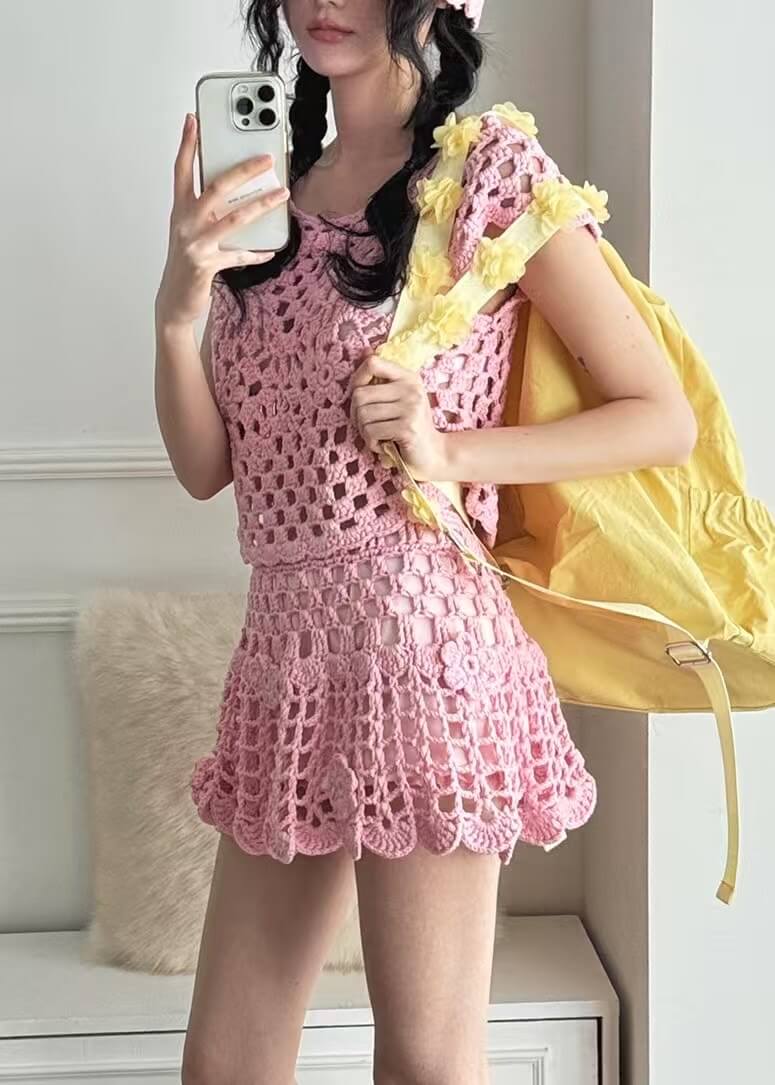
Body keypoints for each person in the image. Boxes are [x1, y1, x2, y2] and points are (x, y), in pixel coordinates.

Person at [154, 2, 697, 1082]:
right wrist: (178, 307)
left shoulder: (487, 170)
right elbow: (207, 466)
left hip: (424, 651)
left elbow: (659, 416)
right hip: (285, 660)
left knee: (426, 1065)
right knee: (224, 1065)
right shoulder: (267, 192)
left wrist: (450, 452)